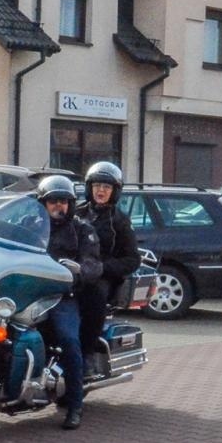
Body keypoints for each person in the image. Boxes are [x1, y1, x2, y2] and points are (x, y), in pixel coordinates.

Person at [36, 177, 103, 430]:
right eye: (53, 201)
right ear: (42, 203)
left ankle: (75, 405)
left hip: (61, 295)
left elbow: (93, 263)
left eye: (63, 201)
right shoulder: (29, 226)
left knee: (69, 339)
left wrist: (76, 272)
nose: (58, 206)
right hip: (28, 292)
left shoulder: (82, 230)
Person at [76, 161, 139, 378]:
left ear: (114, 191)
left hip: (103, 277)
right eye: (97, 186)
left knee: (93, 299)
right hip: (73, 272)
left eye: (106, 186)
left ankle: (87, 354)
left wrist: (103, 267)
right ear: (89, 188)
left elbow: (132, 260)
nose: (101, 190)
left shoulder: (120, 221)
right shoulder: (76, 213)